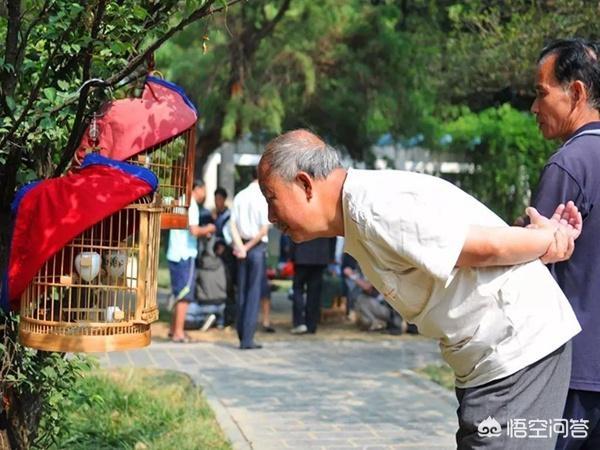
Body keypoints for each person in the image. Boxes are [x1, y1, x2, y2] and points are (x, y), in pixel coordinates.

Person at [258, 129, 583, 449]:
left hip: (516, 349)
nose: (271, 216)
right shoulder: (363, 209)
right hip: (489, 360)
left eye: (272, 199)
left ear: (304, 183)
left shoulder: (376, 209)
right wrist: (546, 240)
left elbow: (486, 247)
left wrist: (549, 239)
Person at [530, 38, 600, 449]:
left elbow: (527, 270)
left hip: (572, 376)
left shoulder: (569, 165)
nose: (535, 108)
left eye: (541, 94)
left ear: (575, 92)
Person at [167, 180, 216, 342]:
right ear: (198, 188)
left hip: (174, 253)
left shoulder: (180, 201)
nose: (205, 194)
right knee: (185, 295)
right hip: (184, 255)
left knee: (178, 293)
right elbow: (194, 231)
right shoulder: (192, 205)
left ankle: (174, 329)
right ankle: (178, 333)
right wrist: (209, 229)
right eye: (204, 190)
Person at [230, 168, 270, 350]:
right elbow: (263, 230)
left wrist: (240, 246)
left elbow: (232, 225)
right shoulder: (262, 198)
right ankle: (247, 338)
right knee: (254, 292)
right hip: (255, 248)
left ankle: (241, 333)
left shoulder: (239, 196)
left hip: (242, 247)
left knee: (242, 292)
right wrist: (247, 248)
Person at [289, 238, 332, 334]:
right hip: (320, 256)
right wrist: (330, 256)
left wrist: (291, 254)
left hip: (301, 254)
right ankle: (311, 325)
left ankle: (299, 322)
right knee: (314, 292)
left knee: (298, 289)